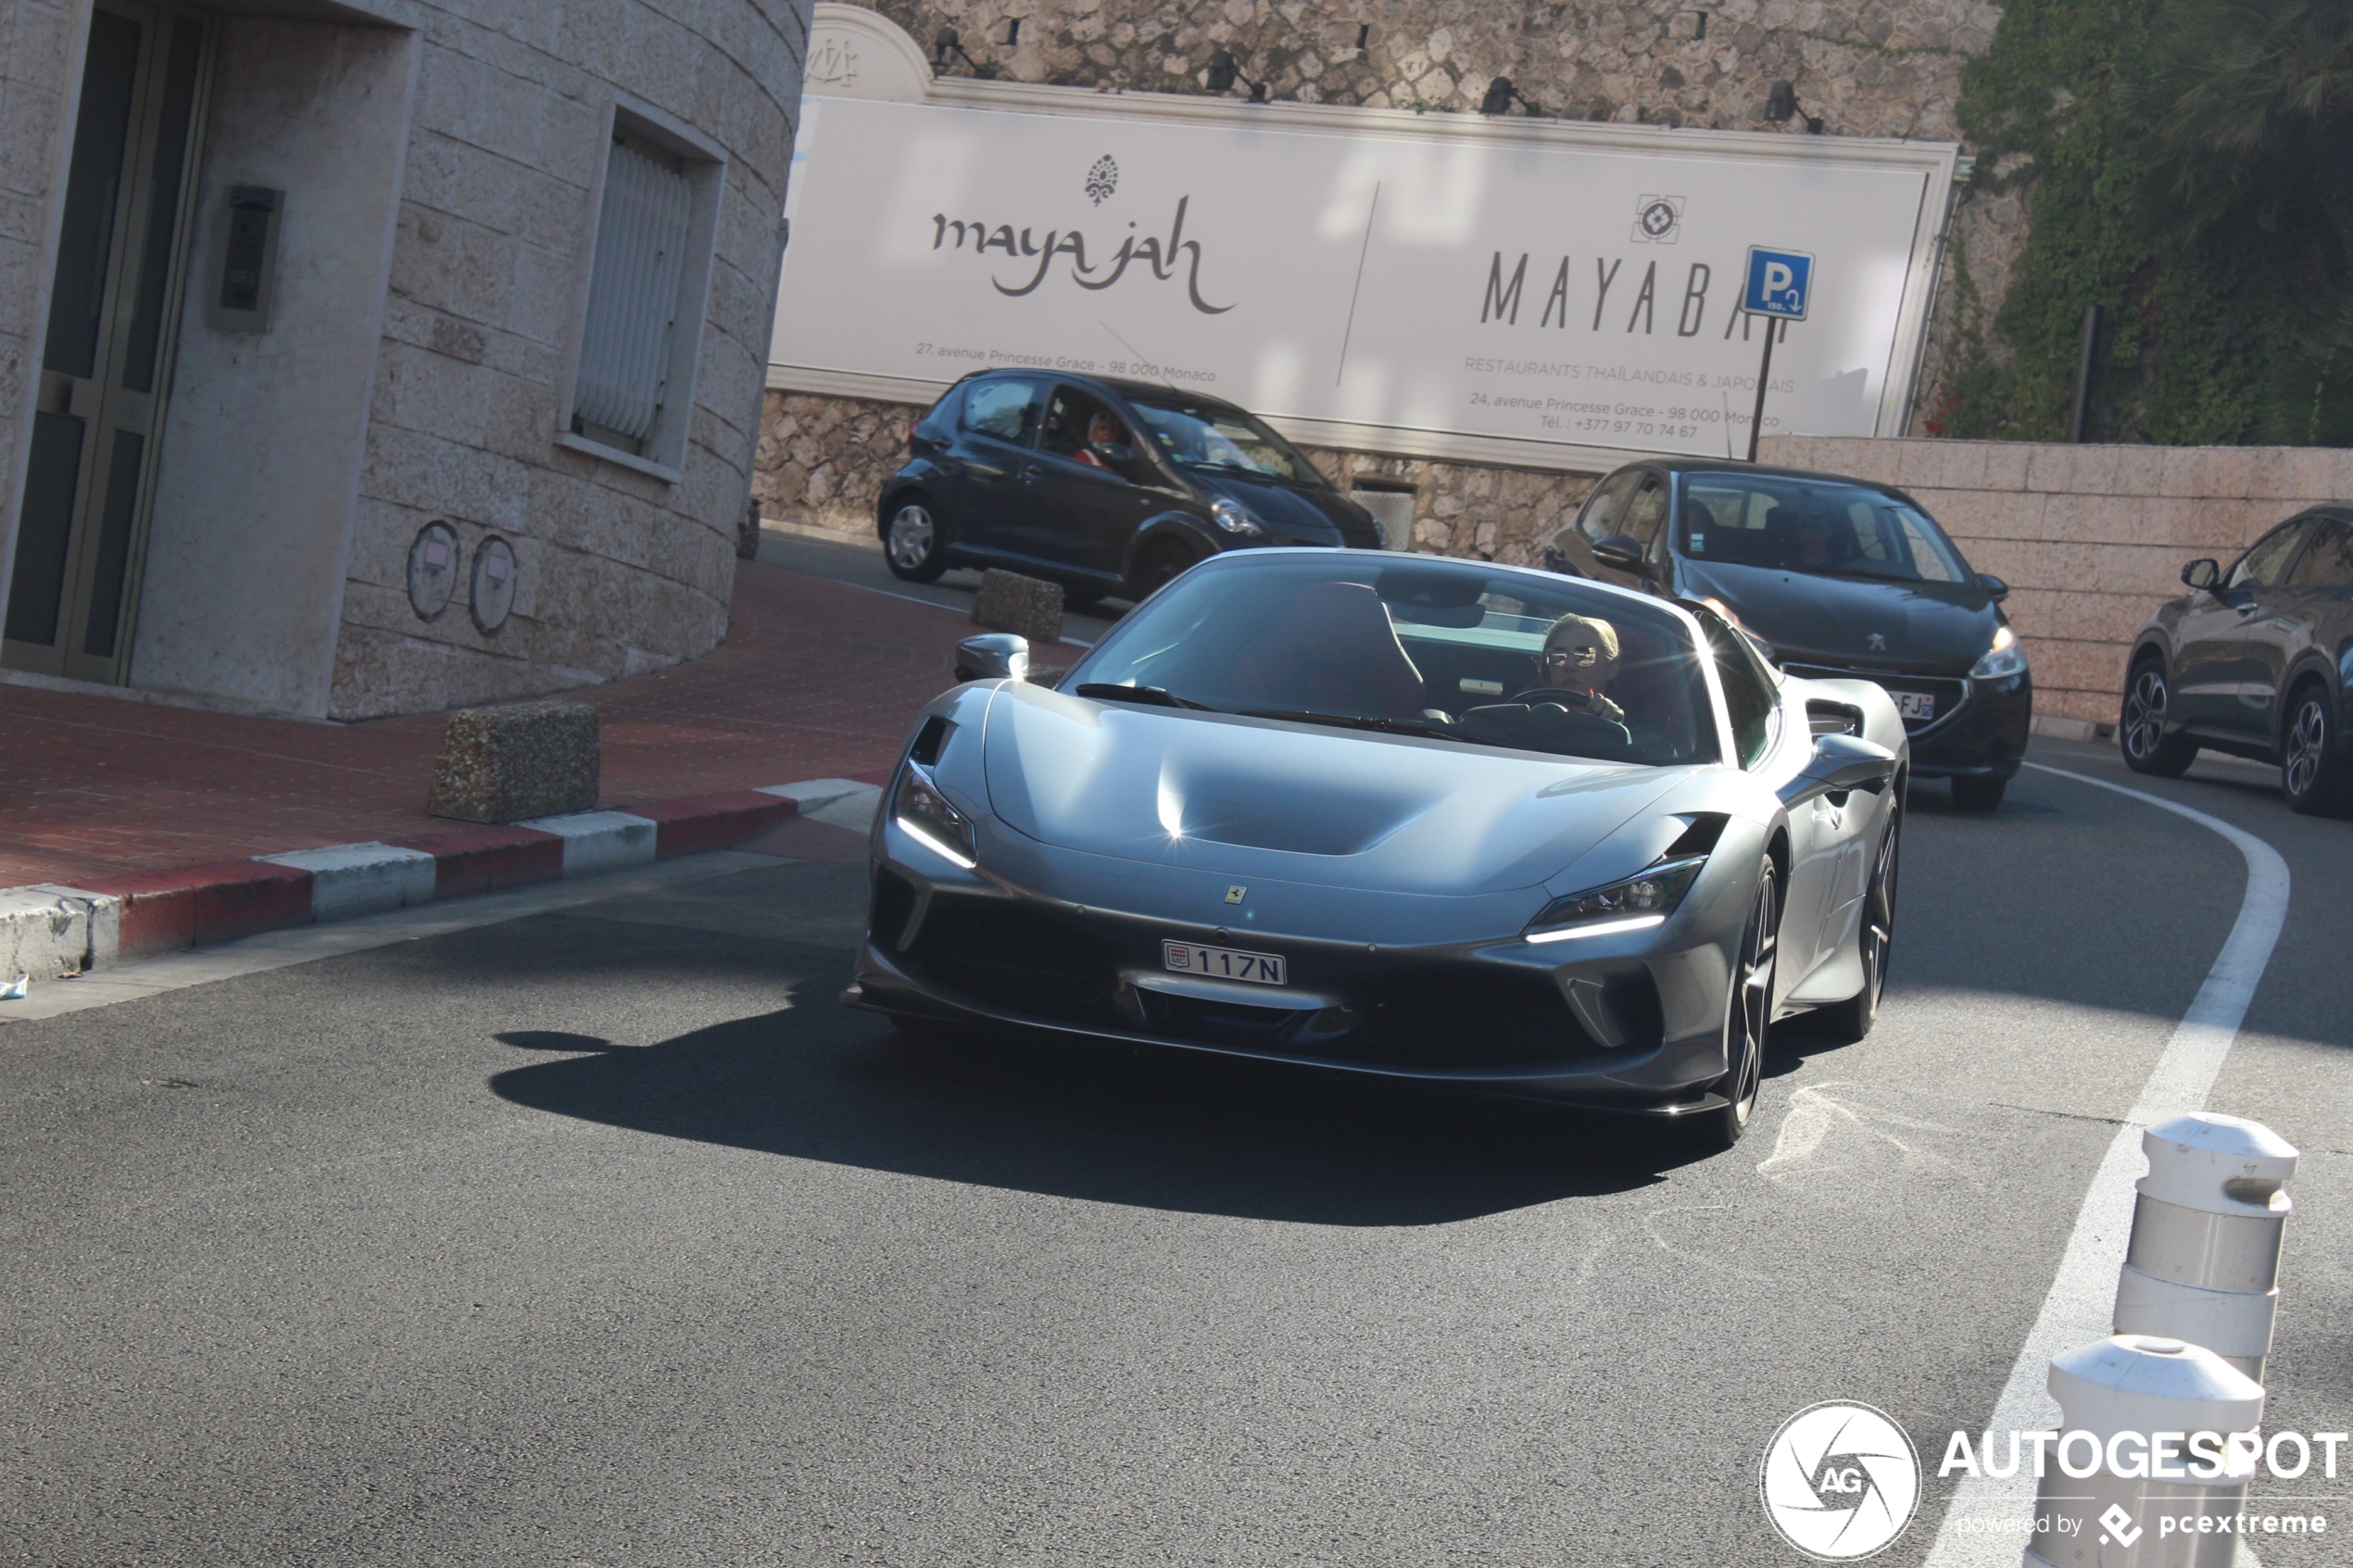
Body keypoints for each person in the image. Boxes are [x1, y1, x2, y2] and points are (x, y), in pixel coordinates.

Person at [1517, 612, 1628, 724]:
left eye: (1585, 656)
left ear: (1611, 668)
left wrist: (1614, 728)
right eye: (1558, 655)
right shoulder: (1522, 716)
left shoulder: (1639, 735)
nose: (1569, 665)